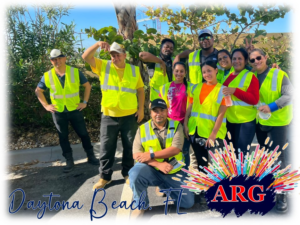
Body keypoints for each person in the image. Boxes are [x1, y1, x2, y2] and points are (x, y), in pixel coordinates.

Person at [82, 42, 145, 190]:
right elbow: (85, 56)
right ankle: (105, 177)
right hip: (109, 115)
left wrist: (141, 109)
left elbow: (140, 90)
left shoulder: (134, 70)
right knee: (106, 147)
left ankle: (128, 173)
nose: (115, 57)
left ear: (124, 55)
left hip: (129, 115)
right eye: (113, 55)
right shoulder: (103, 66)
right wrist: (97, 44)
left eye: (118, 55)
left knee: (130, 146)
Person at [35, 49, 99, 173]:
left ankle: (90, 156)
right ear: (51, 61)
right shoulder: (47, 75)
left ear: (65, 58)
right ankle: (69, 160)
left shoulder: (75, 72)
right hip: (58, 112)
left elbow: (87, 86)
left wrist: (84, 102)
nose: (57, 61)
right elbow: (38, 91)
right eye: (54, 59)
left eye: (59, 58)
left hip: (74, 109)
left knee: (83, 134)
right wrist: (46, 106)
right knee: (63, 137)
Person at [129, 99, 194, 218]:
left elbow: (176, 149)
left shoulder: (176, 125)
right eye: (155, 111)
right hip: (152, 170)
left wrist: (151, 154)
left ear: (167, 112)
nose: (159, 114)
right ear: (151, 113)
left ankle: (166, 187)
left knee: (188, 203)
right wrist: (158, 164)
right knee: (135, 173)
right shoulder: (142, 129)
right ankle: (141, 205)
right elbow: (136, 154)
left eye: (162, 110)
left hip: (174, 171)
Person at [249, 48, 293, 213]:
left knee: (279, 158)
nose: (256, 62)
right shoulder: (251, 76)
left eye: (258, 58)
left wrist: (272, 107)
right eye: (252, 60)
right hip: (261, 122)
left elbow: (289, 95)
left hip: (278, 122)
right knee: (267, 156)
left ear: (265, 57)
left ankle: (282, 195)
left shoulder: (279, 74)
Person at [184, 61, 227, 193]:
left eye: (209, 70)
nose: (206, 74)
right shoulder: (195, 88)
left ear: (216, 71)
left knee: (216, 165)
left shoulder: (223, 89)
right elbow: (190, 107)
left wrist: (213, 134)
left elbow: (222, 113)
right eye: (204, 72)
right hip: (195, 130)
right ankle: (204, 190)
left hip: (212, 132)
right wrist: (185, 123)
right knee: (201, 162)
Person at [222, 48, 259, 156]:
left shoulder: (250, 76)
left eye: (240, 58)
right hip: (230, 120)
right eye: (234, 58)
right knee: (231, 155)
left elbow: (254, 99)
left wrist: (235, 91)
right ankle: (233, 174)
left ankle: (242, 174)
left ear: (245, 61)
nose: (236, 61)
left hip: (245, 121)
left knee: (241, 155)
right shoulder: (229, 75)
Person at [159, 62, 192, 170]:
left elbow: (192, 107)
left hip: (184, 123)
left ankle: (184, 174)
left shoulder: (190, 87)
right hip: (170, 124)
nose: (179, 73)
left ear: (185, 73)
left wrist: (186, 124)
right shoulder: (165, 87)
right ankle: (171, 173)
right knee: (170, 150)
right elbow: (161, 105)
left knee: (184, 151)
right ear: (173, 72)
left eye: (181, 71)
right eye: (176, 71)